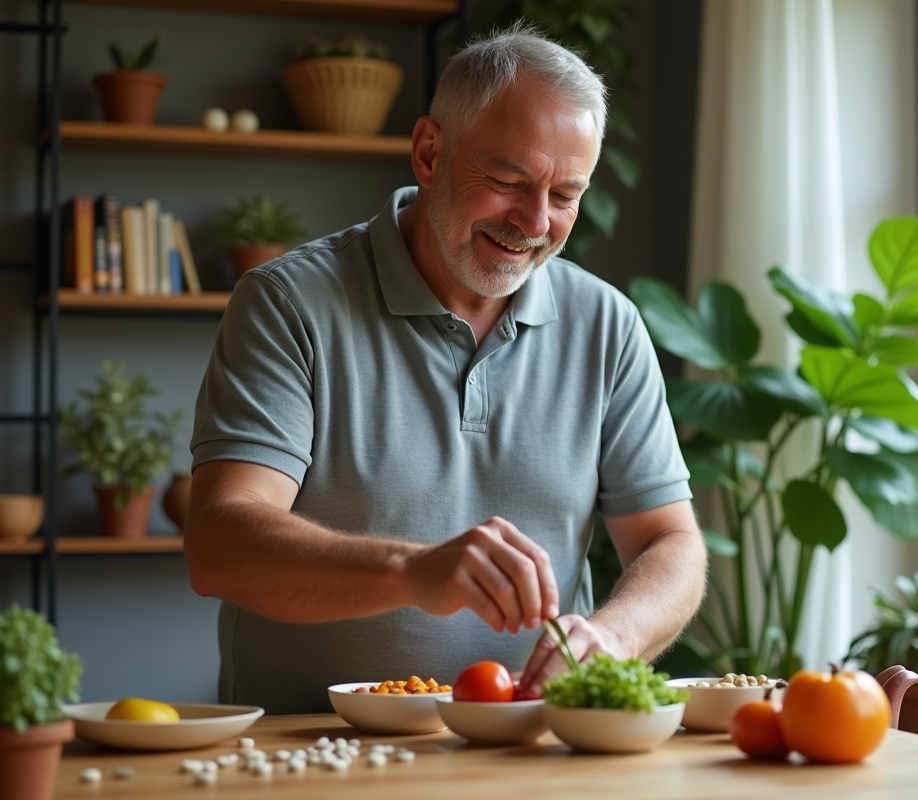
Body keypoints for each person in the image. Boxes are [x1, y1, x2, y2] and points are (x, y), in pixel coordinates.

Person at [183, 23, 707, 715]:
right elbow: (220, 542)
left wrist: (615, 635)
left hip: (535, 750)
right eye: (508, 180)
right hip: (310, 753)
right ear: (430, 153)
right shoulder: (289, 303)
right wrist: (410, 569)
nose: (534, 221)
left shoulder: (607, 326)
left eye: (565, 195)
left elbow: (671, 540)